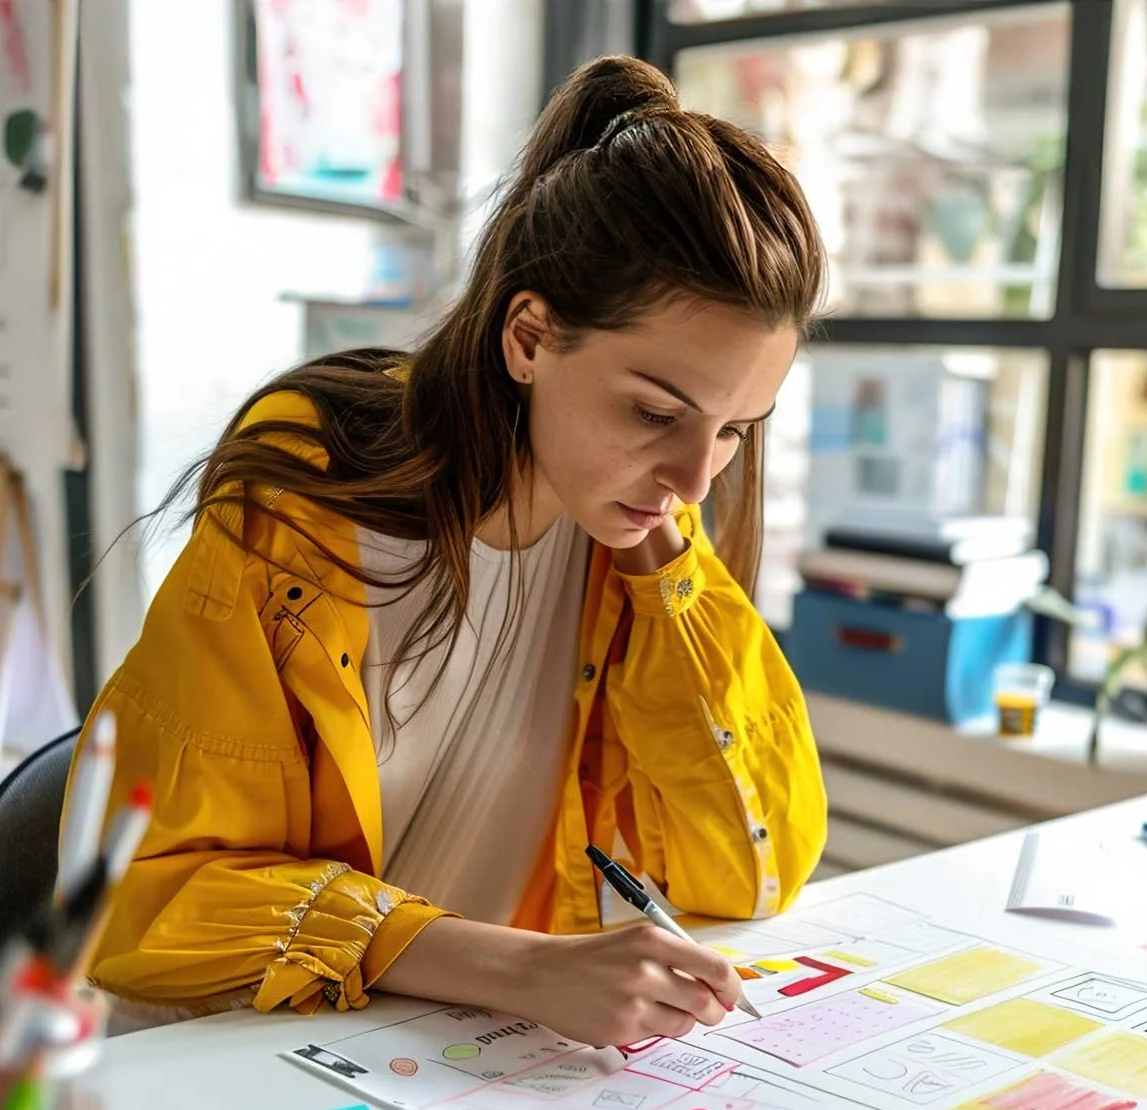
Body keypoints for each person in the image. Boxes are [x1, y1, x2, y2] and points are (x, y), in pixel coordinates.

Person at [71, 56, 828, 1046]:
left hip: (460, 1061)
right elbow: (140, 901)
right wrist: (517, 964)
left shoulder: (636, 539)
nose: (695, 476)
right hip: (241, 1054)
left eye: (736, 427)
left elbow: (755, 865)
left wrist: (664, 570)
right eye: (654, 411)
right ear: (528, 336)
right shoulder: (306, 494)